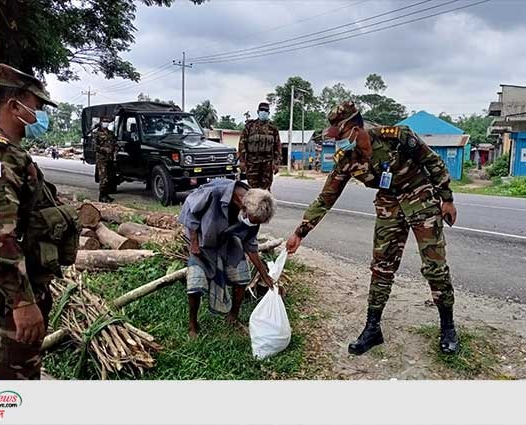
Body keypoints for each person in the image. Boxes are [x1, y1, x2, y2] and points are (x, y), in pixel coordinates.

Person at [285, 101, 460, 355]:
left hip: (419, 196)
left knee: (434, 266)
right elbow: (325, 198)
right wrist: (300, 232)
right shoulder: (346, 159)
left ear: (356, 127)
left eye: (341, 135)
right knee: (381, 266)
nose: (338, 142)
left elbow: (433, 163)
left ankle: (447, 327)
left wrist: (447, 199)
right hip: (389, 204)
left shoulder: (398, 137)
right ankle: (372, 328)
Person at [0, 63, 79, 379]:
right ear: (13, 105)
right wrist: (22, 303)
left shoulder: (10, 153)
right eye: (36, 107)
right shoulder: (2, 156)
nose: (39, 115)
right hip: (6, 307)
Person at [178, 179, 277, 338]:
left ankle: (233, 316)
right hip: (203, 240)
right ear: (243, 208)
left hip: (228, 241)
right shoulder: (216, 192)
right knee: (195, 283)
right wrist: (194, 243)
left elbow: (250, 246)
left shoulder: (255, 209)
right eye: (253, 220)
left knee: (242, 277)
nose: (253, 224)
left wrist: (265, 275)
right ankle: (193, 324)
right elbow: (191, 211)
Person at [238, 102, 282, 190]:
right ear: (258, 112)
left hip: (267, 164)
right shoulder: (249, 127)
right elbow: (242, 144)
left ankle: (265, 204)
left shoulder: (273, 128)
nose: (264, 112)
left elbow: (277, 146)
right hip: (252, 163)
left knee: (265, 190)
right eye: (262, 110)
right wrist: (242, 161)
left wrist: (277, 163)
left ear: (269, 113)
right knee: (253, 190)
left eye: (266, 111)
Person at [93, 117, 117, 202]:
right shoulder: (97, 133)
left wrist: (115, 151)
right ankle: (102, 196)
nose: (106, 123)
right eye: (104, 121)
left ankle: (106, 195)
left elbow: (114, 143)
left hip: (110, 158)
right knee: (103, 177)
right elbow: (95, 147)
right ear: (101, 122)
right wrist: (105, 149)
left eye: (107, 121)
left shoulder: (110, 133)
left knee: (109, 177)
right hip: (101, 159)